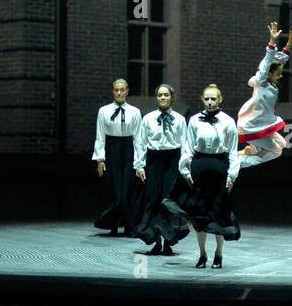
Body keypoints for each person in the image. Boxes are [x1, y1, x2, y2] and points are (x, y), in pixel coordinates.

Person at [163, 85, 241, 268]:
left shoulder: (228, 122)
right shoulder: (194, 120)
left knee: (218, 215)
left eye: (214, 99)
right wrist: (186, 171)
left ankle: (219, 254)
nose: (210, 102)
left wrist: (231, 176)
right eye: (207, 99)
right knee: (199, 215)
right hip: (199, 169)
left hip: (219, 170)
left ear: (220, 99)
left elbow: (232, 151)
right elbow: (188, 147)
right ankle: (202, 254)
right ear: (202, 99)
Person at [130, 84, 190, 255]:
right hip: (154, 160)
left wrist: (184, 168)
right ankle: (156, 240)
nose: (163, 98)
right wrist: (139, 165)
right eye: (160, 95)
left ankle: (168, 240)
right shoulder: (148, 118)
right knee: (153, 199)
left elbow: (185, 144)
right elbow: (141, 143)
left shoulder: (179, 119)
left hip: (172, 160)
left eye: (166, 95)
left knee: (168, 200)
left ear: (172, 98)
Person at [237, 21, 292, 167]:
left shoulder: (271, 82)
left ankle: (251, 151)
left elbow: (278, 63)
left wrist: (288, 46)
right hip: (252, 126)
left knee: (283, 143)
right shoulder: (262, 82)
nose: (281, 76)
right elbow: (267, 63)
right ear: (269, 74)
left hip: (263, 123)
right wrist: (272, 41)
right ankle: (237, 162)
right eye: (278, 74)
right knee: (277, 151)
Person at [92, 78, 142, 235]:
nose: (119, 93)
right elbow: (100, 136)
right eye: (116, 90)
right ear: (113, 91)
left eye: (122, 90)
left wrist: (139, 162)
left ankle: (129, 224)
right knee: (112, 186)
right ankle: (111, 224)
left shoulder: (134, 112)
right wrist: (100, 158)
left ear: (127, 91)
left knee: (128, 187)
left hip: (128, 149)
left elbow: (138, 138)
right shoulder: (104, 111)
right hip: (111, 149)